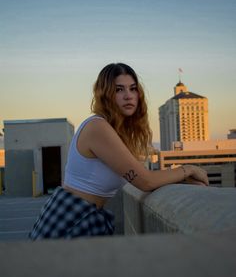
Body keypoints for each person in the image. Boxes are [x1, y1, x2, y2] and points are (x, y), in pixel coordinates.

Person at [29, 63, 209, 240]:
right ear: (106, 95)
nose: (128, 96)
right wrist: (188, 169)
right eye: (119, 90)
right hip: (70, 219)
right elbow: (145, 181)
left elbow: (143, 177)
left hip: (84, 217)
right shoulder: (97, 127)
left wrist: (180, 178)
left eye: (132, 89)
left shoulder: (114, 132)